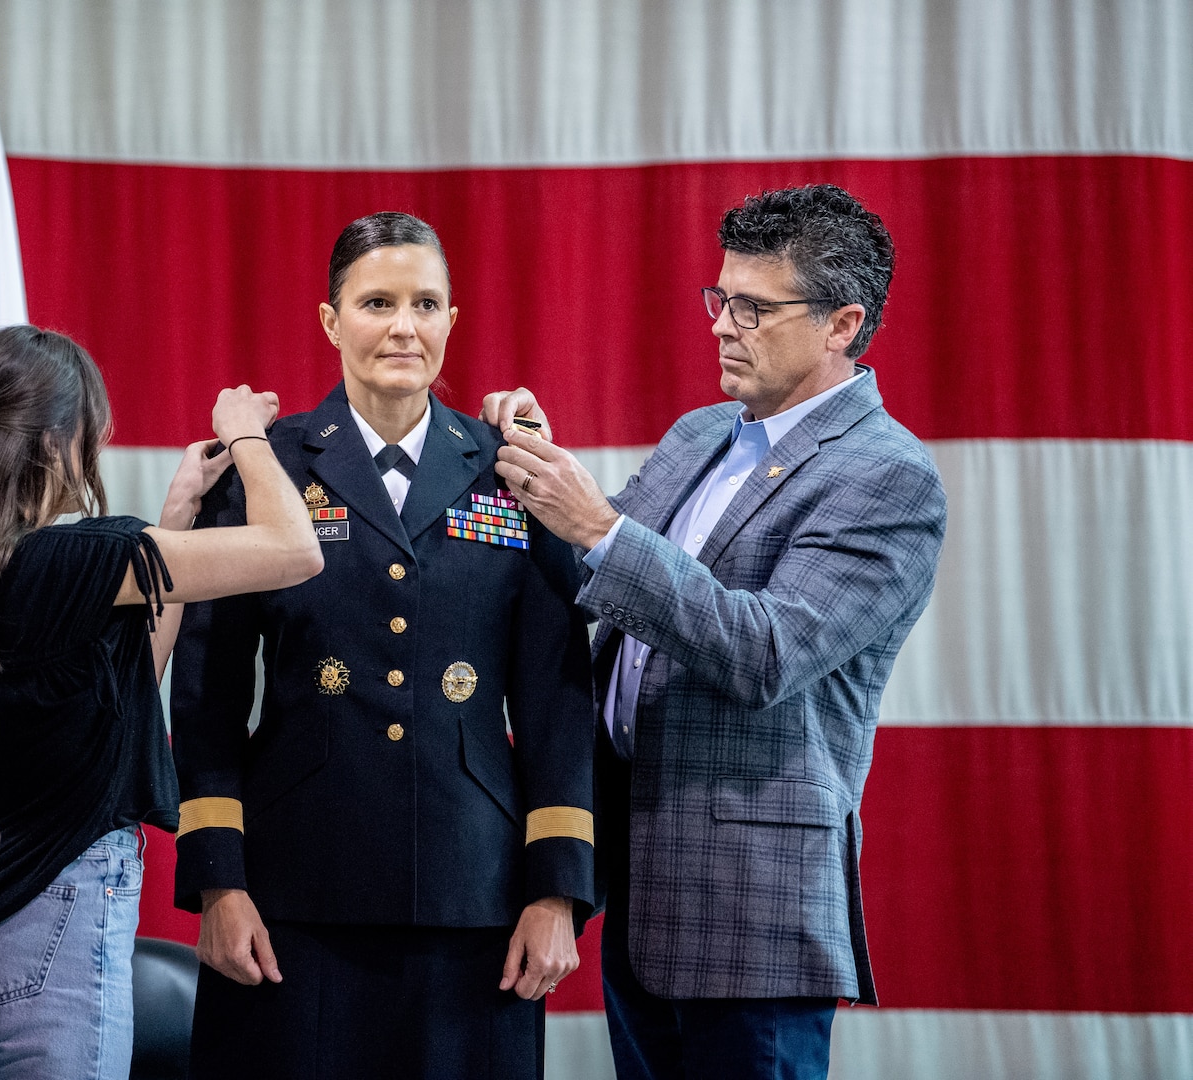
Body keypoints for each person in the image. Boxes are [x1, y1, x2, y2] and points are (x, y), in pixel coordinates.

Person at [484, 184, 949, 1080]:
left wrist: (599, 527)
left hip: (753, 908)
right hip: (640, 879)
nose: (722, 326)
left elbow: (766, 651)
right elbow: (602, 580)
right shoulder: (703, 432)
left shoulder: (888, 477)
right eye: (719, 299)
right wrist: (539, 468)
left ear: (841, 324)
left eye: (754, 307)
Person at [170, 211, 597, 1080]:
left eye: (426, 303)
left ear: (451, 319)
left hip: (474, 893)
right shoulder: (266, 467)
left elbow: (556, 699)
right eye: (377, 302)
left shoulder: (514, 469)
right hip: (291, 894)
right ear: (332, 322)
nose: (404, 325)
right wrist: (219, 881)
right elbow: (206, 692)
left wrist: (557, 891)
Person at [0, 325, 321, 1080]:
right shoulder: (74, 557)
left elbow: (123, 688)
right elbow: (297, 549)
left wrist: (179, 510)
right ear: (57, 438)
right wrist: (250, 437)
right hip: (45, 926)